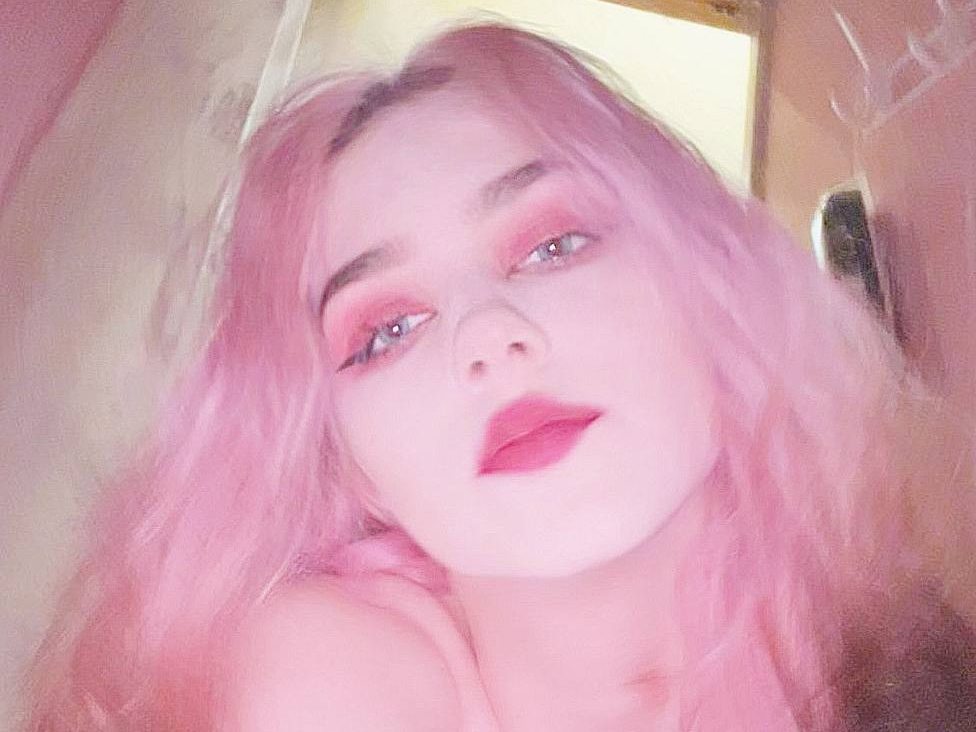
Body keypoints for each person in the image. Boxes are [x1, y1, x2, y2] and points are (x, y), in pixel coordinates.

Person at [24, 22, 976, 731]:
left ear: (710, 288)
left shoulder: (903, 657)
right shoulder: (328, 680)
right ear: (352, 468)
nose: (486, 337)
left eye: (553, 244)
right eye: (386, 330)